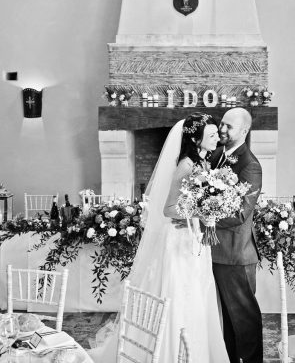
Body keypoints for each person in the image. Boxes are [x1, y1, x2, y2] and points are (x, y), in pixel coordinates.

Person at [87, 113, 229, 363]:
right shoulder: (186, 165)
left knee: (197, 294)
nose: (218, 138)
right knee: (178, 295)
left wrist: (208, 210)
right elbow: (168, 209)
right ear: (196, 140)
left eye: (217, 134)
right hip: (178, 241)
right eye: (212, 135)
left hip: (193, 238)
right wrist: (202, 213)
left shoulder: (204, 164)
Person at [208, 107, 264, 363]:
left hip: (236, 254)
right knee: (226, 323)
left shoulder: (250, 165)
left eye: (229, 126)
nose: (221, 129)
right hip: (215, 252)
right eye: (222, 123)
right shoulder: (216, 155)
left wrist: (203, 218)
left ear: (244, 131)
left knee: (245, 322)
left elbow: (241, 213)